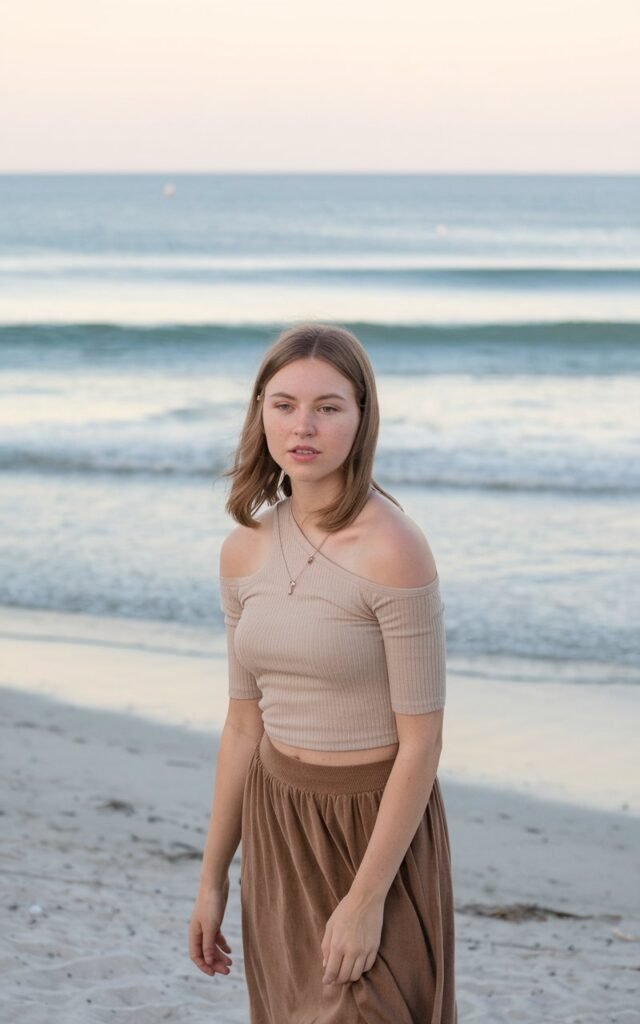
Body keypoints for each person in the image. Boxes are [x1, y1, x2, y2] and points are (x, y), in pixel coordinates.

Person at [188, 322, 458, 1023]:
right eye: (284, 404)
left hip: (374, 828)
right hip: (277, 820)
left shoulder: (394, 548)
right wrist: (213, 878)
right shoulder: (243, 549)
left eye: (328, 407)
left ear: (362, 417)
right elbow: (243, 724)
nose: (302, 425)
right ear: (261, 412)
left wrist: (366, 900)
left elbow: (423, 743)